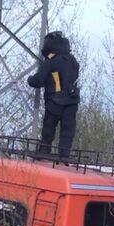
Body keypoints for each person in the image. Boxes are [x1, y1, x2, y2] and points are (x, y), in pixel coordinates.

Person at [28, 31, 80, 159]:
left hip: (55, 101)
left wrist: (30, 79)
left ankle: (44, 152)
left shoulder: (51, 61)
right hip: (72, 101)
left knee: (48, 129)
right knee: (67, 131)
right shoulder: (73, 60)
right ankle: (64, 156)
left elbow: (39, 80)